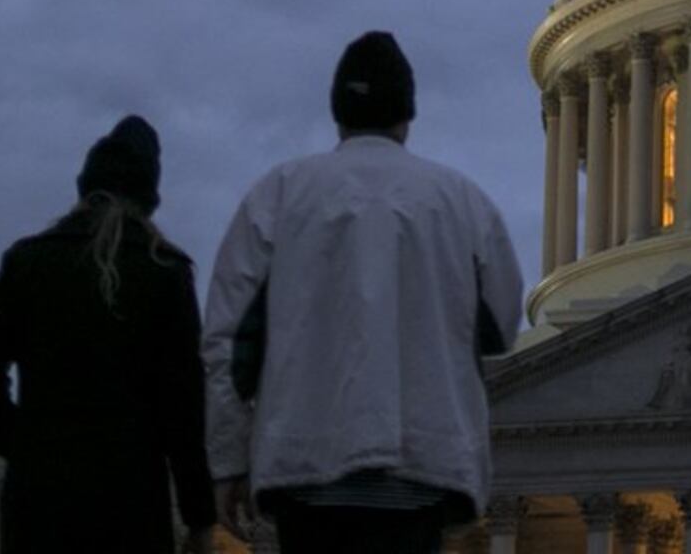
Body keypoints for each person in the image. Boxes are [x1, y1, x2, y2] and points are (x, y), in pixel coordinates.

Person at [199, 31, 526, 554]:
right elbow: (501, 325)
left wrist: (228, 462)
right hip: (420, 474)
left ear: (338, 113)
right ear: (407, 115)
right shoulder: (463, 205)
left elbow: (226, 348)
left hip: (307, 473)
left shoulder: (278, 195)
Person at [0, 117, 217, 554]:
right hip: (130, 499)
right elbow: (184, 413)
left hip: (38, 500)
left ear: (85, 187)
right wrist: (200, 517)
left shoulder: (28, 261)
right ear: (148, 197)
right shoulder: (165, 272)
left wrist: (23, 445)